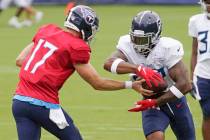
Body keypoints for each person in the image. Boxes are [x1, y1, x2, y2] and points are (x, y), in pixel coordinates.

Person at [12, 5, 160, 140]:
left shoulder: (47, 30)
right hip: (43, 105)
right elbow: (97, 83)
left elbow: (20, 60)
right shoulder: (76, 46)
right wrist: (130, 84)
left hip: (19, 102)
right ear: (86, 26)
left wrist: (48, 68)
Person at [104, 10, 195, 140]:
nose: (137, 44)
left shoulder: (168, 48)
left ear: (156, 36)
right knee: (155, 137)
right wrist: (138, 68)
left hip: (175, 100)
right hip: (149, 102)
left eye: (142, 40)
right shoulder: (127, 44)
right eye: (135, 38)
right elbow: (108, 63)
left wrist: (156, 102)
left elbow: (185, 84)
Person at [188, 0, 210, 139]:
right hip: (203, 75)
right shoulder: (196, 20)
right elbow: (194, 51)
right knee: (207, 114)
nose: (209, 5)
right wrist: (191, 77)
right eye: (207, 2)